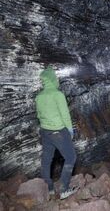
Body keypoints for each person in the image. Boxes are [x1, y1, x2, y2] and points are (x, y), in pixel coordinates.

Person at [35, 66, 77, 199]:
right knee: (71, 157)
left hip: (45, 131)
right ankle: (64, 189)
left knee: (46, 161)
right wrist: (70, 130)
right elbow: (65, 114)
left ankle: (50, 188)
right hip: (58, 130)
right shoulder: (58, 94)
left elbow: (38, 115)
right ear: (53, 79)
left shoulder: (39, 96)